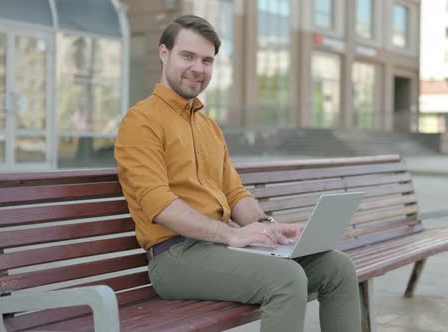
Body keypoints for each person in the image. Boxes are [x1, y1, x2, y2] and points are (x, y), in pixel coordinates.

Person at [115, 15, 361, 332]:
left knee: (337, 267)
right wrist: (232, 234)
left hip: (219, 249)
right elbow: (159, 206)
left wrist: (270, 229)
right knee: (286, 279)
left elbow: (234, 194)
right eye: (187, 56)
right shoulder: (141, 121)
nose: (198, 69)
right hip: (176, 258)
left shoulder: (208, 126)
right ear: (164, 54)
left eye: (207, 60)